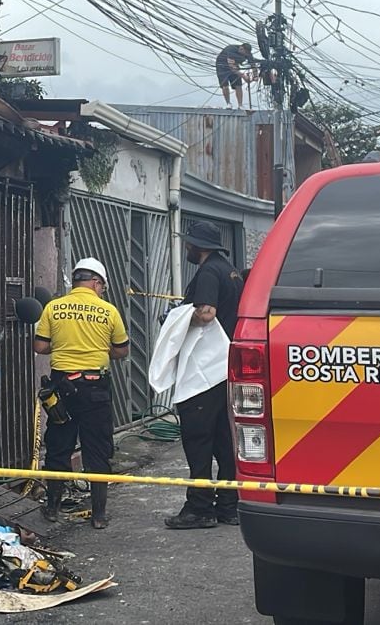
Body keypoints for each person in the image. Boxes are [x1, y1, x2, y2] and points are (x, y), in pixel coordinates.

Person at [33, 258, 129, 529]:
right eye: (102, 287)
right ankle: (98, 515)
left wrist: (65, 348)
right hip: (95, 389)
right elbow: (122, 350)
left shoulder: (53, 307)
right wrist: (97, 349)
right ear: (96, 283)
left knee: (58, 448)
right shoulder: (108, 311)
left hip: (61, 390)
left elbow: (40, 347)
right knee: (97, 450)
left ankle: (52, 509)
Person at [165, 221, 245, 529]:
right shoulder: (230, 271)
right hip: (226, 367)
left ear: (198, 245)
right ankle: (229, 505)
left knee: (198, 437)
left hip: (206, 370)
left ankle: (200, 508)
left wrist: (179, 317)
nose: (186, 247)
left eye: (189, 243)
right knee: (225, 439)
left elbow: (207, 313)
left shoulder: (209, 272)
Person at [215, 43, 254, 108]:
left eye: (246, 53)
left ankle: (240, 105)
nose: (245, 55)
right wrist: (244, 76)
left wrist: (255, 77)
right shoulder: (231, 49)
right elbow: (232, 67)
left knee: (238, 85)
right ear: (241, 48)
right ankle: (228, 103)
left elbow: (253, 65)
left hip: (235, 65)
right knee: (225, 86)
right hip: (222, 66)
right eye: (244, 53)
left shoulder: (248, 54)